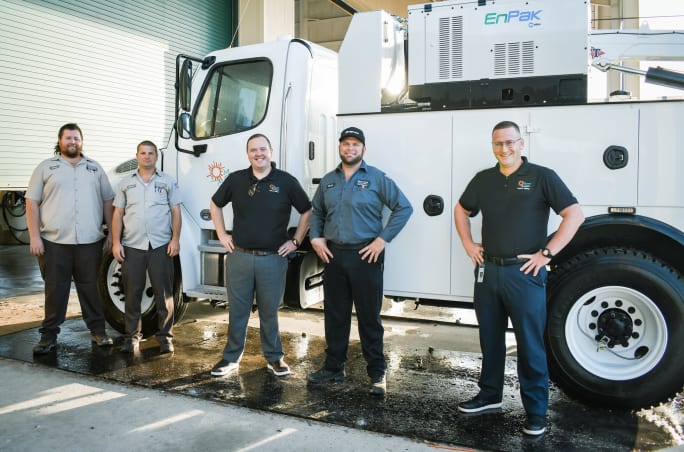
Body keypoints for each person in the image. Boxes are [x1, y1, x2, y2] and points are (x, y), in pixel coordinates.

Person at [453, 120, 585, 435]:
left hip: (524, 274)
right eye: (498, 143)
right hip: (488, 271)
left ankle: (536, 412)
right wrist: (468, 244)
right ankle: (489, 395)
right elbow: (460, 210)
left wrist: (546, 254)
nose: (504, 149)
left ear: (521, 144)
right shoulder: (484, 179)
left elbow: (574, 215)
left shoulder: (542, 177)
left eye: (510, 142)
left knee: (530, 344)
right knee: (490, 338)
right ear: (493, 146)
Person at [307, 126, 413, 396]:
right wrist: (316, 238)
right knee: (335, 316)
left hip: (366, 255)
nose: (350, 148)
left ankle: (377, 372)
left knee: (368, 317)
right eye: (346, 143)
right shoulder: (328, 181)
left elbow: (404, 207)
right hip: (334, 256)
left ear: (363, 149)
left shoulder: (376, 178)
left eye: (355, 144)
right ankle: (333, 368)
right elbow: (317, 211)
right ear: (340, 147)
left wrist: (382, 240)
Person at [209, 133, 312, 377]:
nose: (258, 154)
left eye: (262, 149)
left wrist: (295, 241)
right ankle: (230, 358)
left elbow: (307, 211)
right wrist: (222, 234)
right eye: (253, 150)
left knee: (269, 311)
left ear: (270, 151)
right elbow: (215, 204)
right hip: (240, 256)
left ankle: (275, 357)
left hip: (273, 259)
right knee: (238, 311)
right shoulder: (236, 179)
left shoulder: (286, 181)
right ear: (248, 154)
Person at [26, 123, 115, 354]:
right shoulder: (46, 168)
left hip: (90, 242)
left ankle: (98, 331)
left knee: (91, 289)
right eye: (68, 138)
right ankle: (48, 337)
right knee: (55, 290)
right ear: (60, 141)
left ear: (81, 141)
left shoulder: (95, 168)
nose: (72, 142)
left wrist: (112, 234)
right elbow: (32, 202)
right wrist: (34, 236)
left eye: (76, 138)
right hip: (54, 243)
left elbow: (108, 201)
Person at [111, 141, 182, 354]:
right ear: (137, 156)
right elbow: (117, 214)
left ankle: (165, 337)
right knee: (132, 294)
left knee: (164, 295)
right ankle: (132, 337)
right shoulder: (125, 183)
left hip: (160, 245)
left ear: (156, 157)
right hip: (132, 246)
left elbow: (176, 212)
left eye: (151, 153)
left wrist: (175, 239)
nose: (147, 156)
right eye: (143, 153)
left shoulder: (168, 182)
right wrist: (116, 242)